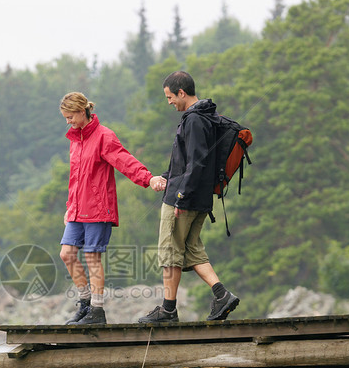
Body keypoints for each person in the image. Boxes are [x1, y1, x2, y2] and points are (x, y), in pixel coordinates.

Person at [138, 71, 240, 323]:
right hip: (201, 197)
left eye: (170, 96)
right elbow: (189, 162)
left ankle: (168, 310)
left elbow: (197, 162)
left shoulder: (194, 120)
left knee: (170, 251)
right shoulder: (208, 117)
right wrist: (167, 176)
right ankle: (222, 295)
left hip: (184, 199)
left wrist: (181, 196)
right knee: (192, 251)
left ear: (181, 93)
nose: (169, 101)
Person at [59, 92, 166, 325]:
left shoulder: (104, 136)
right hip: (77, 210)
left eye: (70, 117)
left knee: (92, 257)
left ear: (81, 111)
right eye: (65, 118)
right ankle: (85, 304)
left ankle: (97, 312)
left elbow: (125, 161)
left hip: (98, 209)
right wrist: (70, 207)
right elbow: (74, 179)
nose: (68, 121)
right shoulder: (75, 140)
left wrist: (148, 179)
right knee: (66, 254)